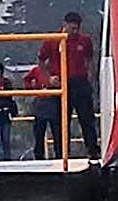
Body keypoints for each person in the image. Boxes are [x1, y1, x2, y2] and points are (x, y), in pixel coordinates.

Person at [33, 9, 97, 158]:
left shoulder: (84, 40)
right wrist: (49, 78)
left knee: (87, 119)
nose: (74, 32)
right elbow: (41, 61)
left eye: (77, 29)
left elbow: (89, 60)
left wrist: (91, 79)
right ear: (65, 25)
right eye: (72, 28)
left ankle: (93, 150)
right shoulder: (53, 40)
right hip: (61, 83)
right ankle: (61, 154)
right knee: (61, 121)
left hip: (80, 83)